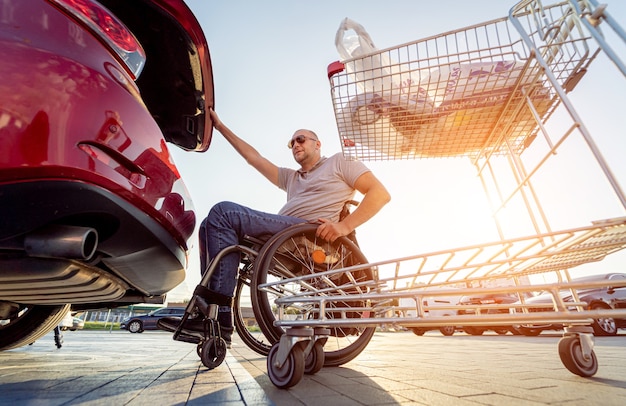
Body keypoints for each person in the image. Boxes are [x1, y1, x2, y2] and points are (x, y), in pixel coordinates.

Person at [158, 109, 390, 347]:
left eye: (300, 139)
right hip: (282, 240)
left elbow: (380, 194)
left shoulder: (340, 162)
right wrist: (221, 128)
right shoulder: (292, 178)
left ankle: (221, 316)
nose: (295, 145)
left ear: (318, 144)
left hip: (310, 235)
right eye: (291, 143)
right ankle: (212, 316)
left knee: (224, 213)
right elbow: (254, 158)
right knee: (210, 225)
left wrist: (343, 227)